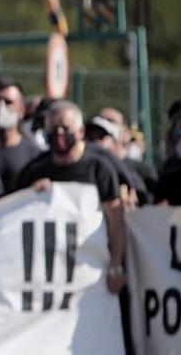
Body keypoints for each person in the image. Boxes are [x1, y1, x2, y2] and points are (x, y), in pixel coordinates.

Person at [15, 101, 125, 293]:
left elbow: (115, 219)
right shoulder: (34, 170)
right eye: (53, 128)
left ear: (80, 131)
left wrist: (116, 262)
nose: (59, 134)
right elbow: (14, 214)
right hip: (47, 272)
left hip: (90, 269)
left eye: (65, 128)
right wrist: (31, 196)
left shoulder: (99, 168)